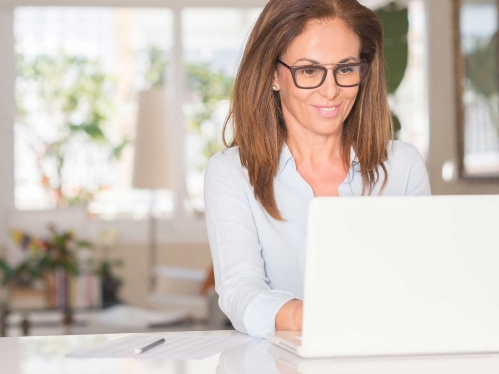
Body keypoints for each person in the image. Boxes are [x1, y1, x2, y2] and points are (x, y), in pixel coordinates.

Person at [204, 0, 431, 339]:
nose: (331, 90)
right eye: (309, 71)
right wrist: (318, 318)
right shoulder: (231, 174)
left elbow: (425, 282)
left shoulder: (403, 166)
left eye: (346, 68)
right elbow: (241, 290)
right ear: (272, 75)